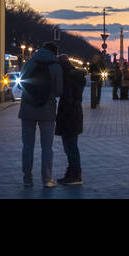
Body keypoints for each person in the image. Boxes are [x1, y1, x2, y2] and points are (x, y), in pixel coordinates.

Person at [19, 41, 62, 186]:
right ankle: (47, 179)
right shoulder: (56, 66)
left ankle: (27, 179)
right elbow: (59, 91)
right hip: (47, 110)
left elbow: (21, 83)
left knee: (27, 146)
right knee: (47, 147)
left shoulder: (30, 63)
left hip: (27, 109)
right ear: (54, 53)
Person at [55, 50, 85, 184]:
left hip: (69, 117)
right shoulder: (76, 76)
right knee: (72, 146)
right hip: (76, 114)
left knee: (70, 147)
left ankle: (75, 175)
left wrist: (59, 118)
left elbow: (66, 100)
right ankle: (72, 173)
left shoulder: (67, 79)